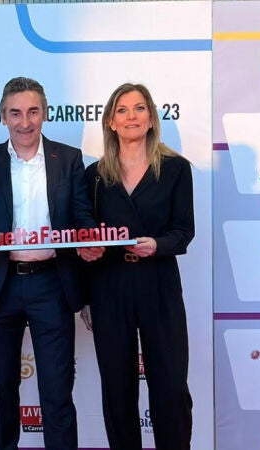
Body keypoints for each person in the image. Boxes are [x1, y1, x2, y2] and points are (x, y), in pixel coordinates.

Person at [0, 76, 102, 450]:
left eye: (32, 112)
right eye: (15, 113)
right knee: (0, 389)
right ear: (3, 116)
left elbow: (81, 215)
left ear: (45, 113)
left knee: (57, 392)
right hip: (0, 283)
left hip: (51, 283)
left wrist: (89, 239)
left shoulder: (68, 158)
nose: (24, 122)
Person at [80, 83, 195, 450]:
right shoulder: (95, 176)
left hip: (158, 282)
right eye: (123, 110)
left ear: (151, 118)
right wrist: (86, 296)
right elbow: (86, 240)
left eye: (140, 108)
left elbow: (184, 232)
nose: (132, 116)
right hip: (109, 286)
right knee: (117, 388)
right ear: (110, 122)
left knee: (171, 386)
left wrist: (157, 245)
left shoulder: (176, 169)